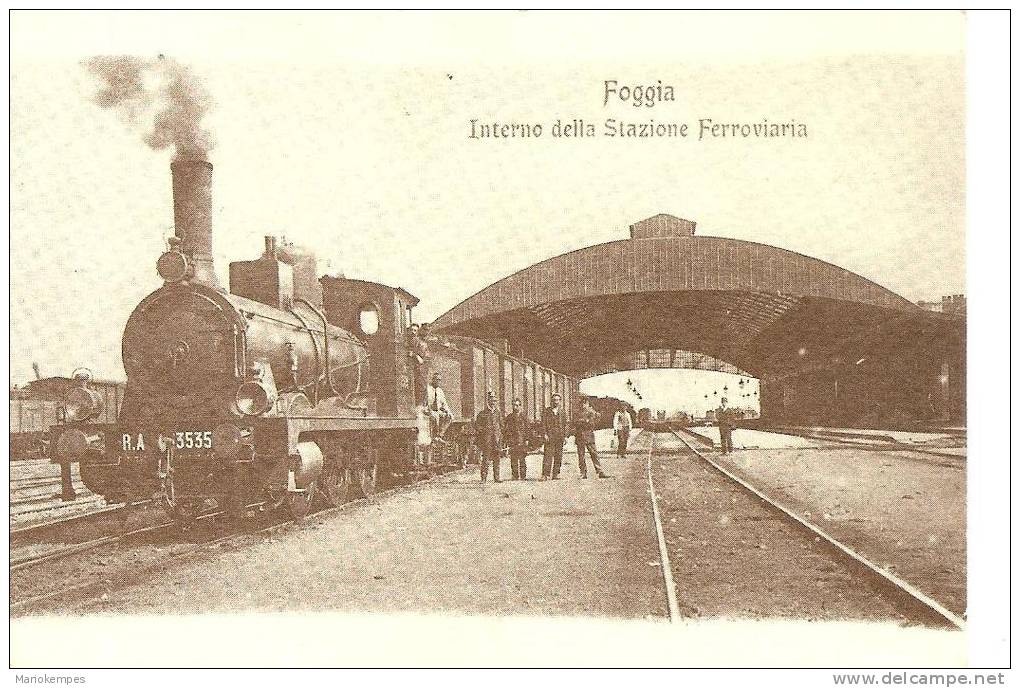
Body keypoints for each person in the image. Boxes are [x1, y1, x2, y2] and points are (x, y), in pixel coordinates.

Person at [574, 400, 609, 479]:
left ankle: (600, 471)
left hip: (589, 435)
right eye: (581, 404)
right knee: (581, 456)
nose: (582, 405)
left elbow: (592, 423)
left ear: (587, 404)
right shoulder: (577, 413)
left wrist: (583, 422)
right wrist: (584, 421)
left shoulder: (591, 412)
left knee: (594, 454)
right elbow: (575, 422)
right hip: (579, 436)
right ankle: (583, 473)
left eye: (584, 403)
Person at [475, 391, 504, 482]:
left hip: (496, 439)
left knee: (497, 459)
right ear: (488, 401)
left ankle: (497, 478)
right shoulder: (482, 413)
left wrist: (500, 436)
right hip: (487, 440)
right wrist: (483, 431)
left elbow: (501, 425)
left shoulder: (497, 413)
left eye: (494, 401)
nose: (493, 402)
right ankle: (483, 478)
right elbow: (477, 425)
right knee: (486, 459)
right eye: (491, 400)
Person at [541, 393, 569, 479]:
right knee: (548, 455)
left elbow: (566, 425)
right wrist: (545, 434)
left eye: (557, 400)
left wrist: (565, 436)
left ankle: (555, 474)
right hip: (550, 436)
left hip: (559, 436)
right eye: (554, 400)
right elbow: (543, 424)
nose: (556, 402)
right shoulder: (547, 411)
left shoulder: (562, 412)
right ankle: (545, 474)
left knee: (558, 455)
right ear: (551, 401)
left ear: (560, 401)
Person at [503, 398, 529, 480]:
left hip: (522, 440)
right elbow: (505, 429)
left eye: (517, 405)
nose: (515, 407)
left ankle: (523, 476)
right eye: (514, 405)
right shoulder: (509, 417)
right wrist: (507, 439)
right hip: (513, 440)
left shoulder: (524, 417)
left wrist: (527, 439)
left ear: (520, 406)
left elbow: (528, 429)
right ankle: (515, 475)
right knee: (513, 459)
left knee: (522, 458)